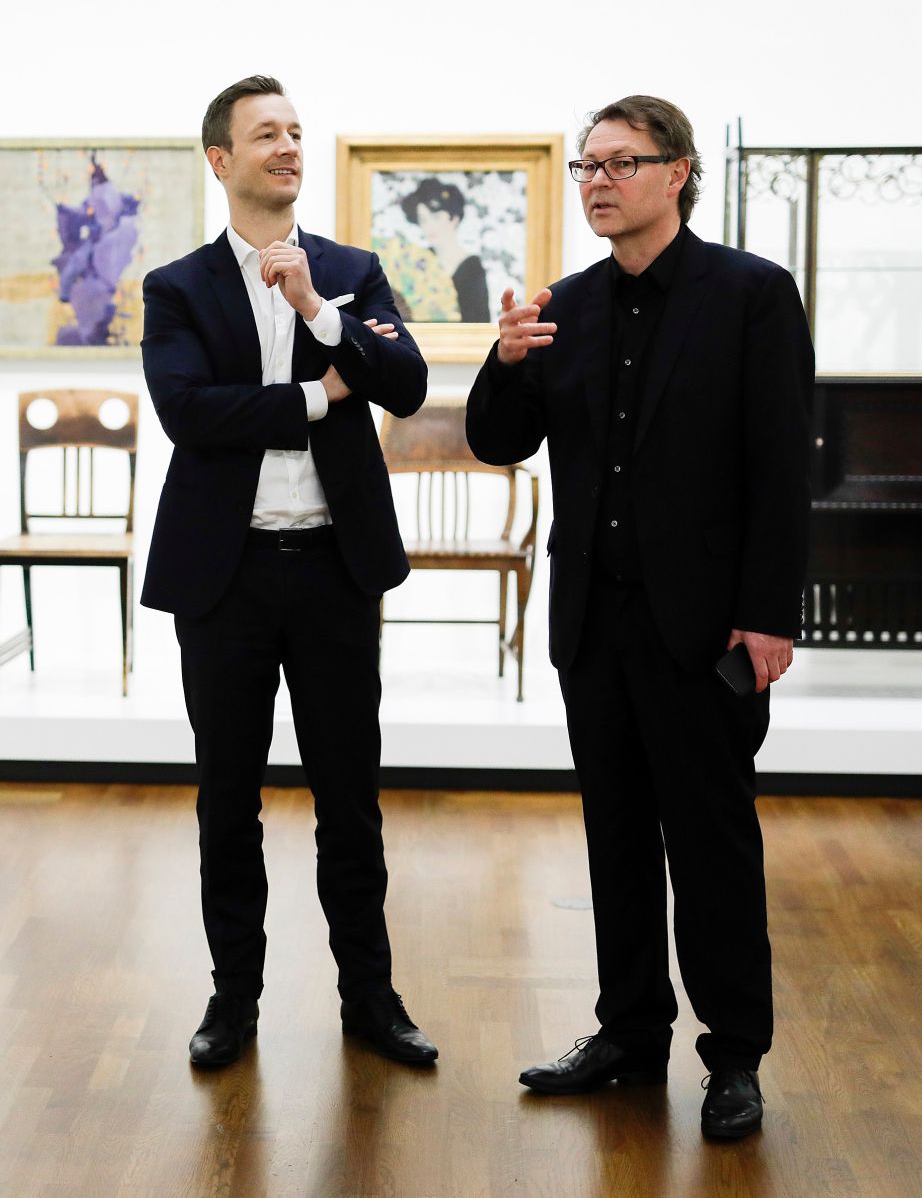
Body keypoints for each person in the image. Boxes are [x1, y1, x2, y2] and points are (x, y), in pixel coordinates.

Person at [465, 95, 813, 1140]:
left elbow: (777, 467)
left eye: (620, 162)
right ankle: (626, 1033)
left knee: (709, 843)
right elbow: (494, 441)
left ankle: (733, 1054)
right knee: (612, 840)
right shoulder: (561, 306)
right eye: (585, 166)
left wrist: (765, 615)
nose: (598, 182)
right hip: (592, 625)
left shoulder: (747, 296)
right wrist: (506, 358)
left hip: (703, 627)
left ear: (677, 172)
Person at [140, 75, 435, 1068]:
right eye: (265, 133)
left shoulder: (352, 269)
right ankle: (233, 1003)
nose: (288, 145)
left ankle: (371, 1000)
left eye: (297, 132)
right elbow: (189, 412)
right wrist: (315, 397)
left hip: (332, 572)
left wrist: (316, 310)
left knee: (348, 797)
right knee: (227, 801)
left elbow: (404, 382)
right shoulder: (176, 288)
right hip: (223, 581)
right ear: (220, 161)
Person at [400, 178, 490, 322]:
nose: (429, 227)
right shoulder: (420, 260)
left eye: (436, 217)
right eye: (423, 219)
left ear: (454, 218)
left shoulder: (471, 268)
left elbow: (479, 322)